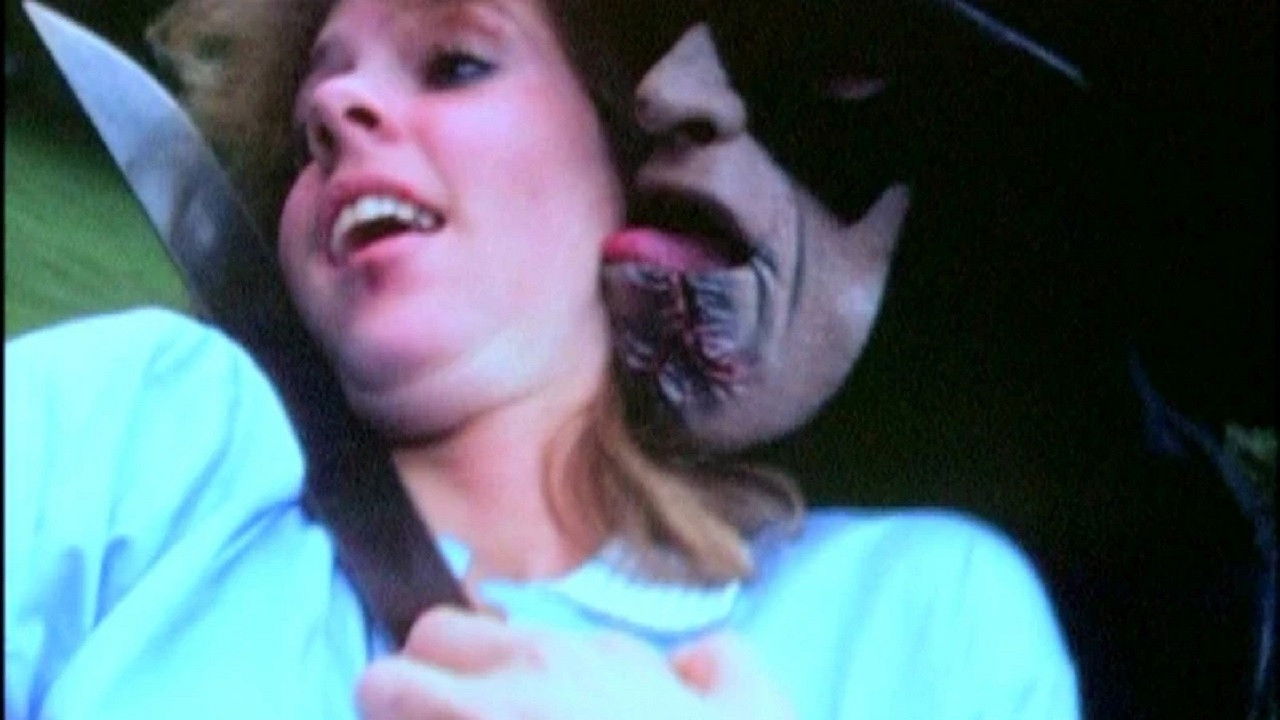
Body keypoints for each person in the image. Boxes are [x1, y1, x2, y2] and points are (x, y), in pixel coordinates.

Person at [4, 0, 1079, 718]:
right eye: (306, 118)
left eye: (457, 63)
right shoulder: (151, 425)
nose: (329, 109)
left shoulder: (916, 613)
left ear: (626, 169)